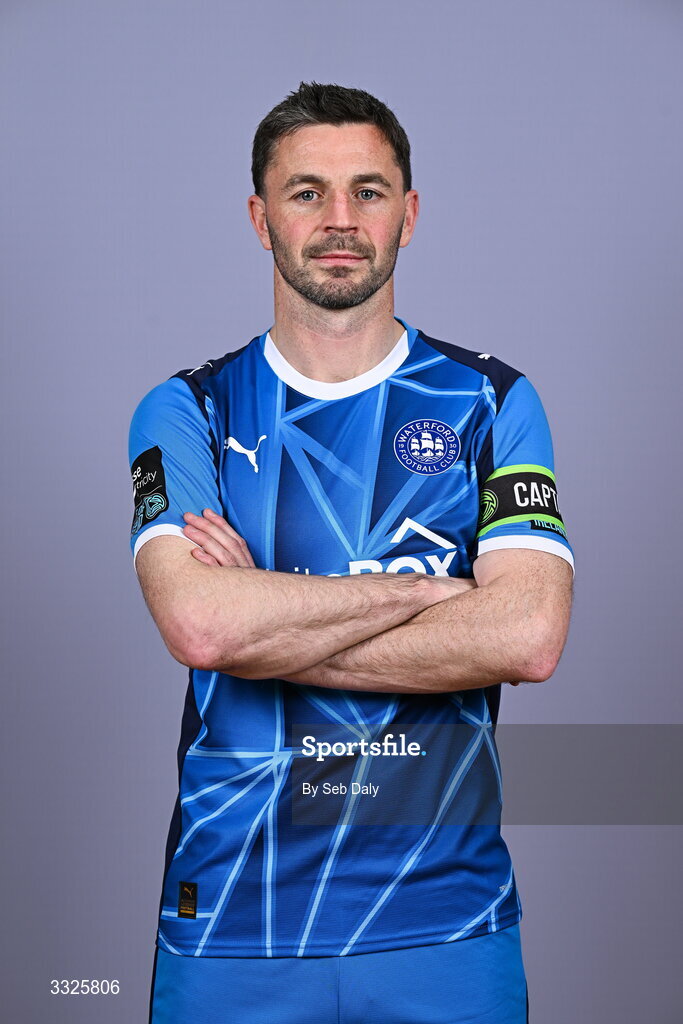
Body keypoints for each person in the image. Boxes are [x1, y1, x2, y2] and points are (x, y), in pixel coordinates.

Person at [128, 81, 574, 1024]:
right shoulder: (186, 412)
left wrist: (268, 607)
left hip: (446, 920)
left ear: (408, 214)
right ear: (260, 217)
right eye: (306, 192)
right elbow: (201, 622)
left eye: (368, 191)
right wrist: (438, 598)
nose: (340, 220)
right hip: (233, 922)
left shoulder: (493, 402)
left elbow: (529, 635)